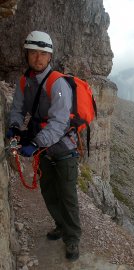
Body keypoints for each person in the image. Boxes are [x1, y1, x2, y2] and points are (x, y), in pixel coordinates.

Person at [7, 30, 81, 261]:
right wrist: (15, 127)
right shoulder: (24, 81)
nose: (38, 58)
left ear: (50, 57)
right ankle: (60, 225)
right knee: (48, 192)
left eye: (43, 54)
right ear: (26, 55)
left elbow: (59, 123)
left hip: (64, 149)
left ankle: (72, 238)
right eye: (33, 53)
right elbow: (18, 109)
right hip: (45, 149)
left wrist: (35, 144)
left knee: (67, 196)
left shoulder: (57, 83)